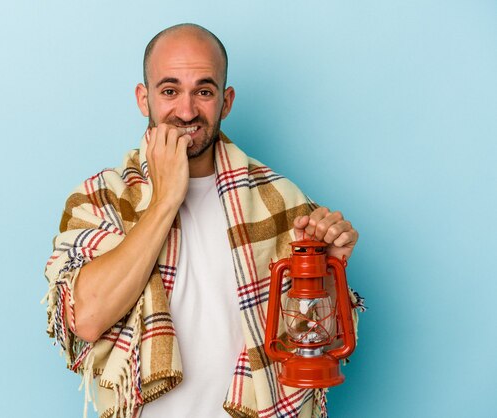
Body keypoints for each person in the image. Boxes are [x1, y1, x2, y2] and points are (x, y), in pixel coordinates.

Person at [44, 23, 362, 418]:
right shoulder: (101, 198)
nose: (187, 110)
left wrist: (329, 273)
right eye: (170, 90)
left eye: (204, 92)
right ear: (144, 99)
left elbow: (317, 346)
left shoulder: (285, 203)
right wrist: (165, 201)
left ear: (226, 102)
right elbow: (86, 319)